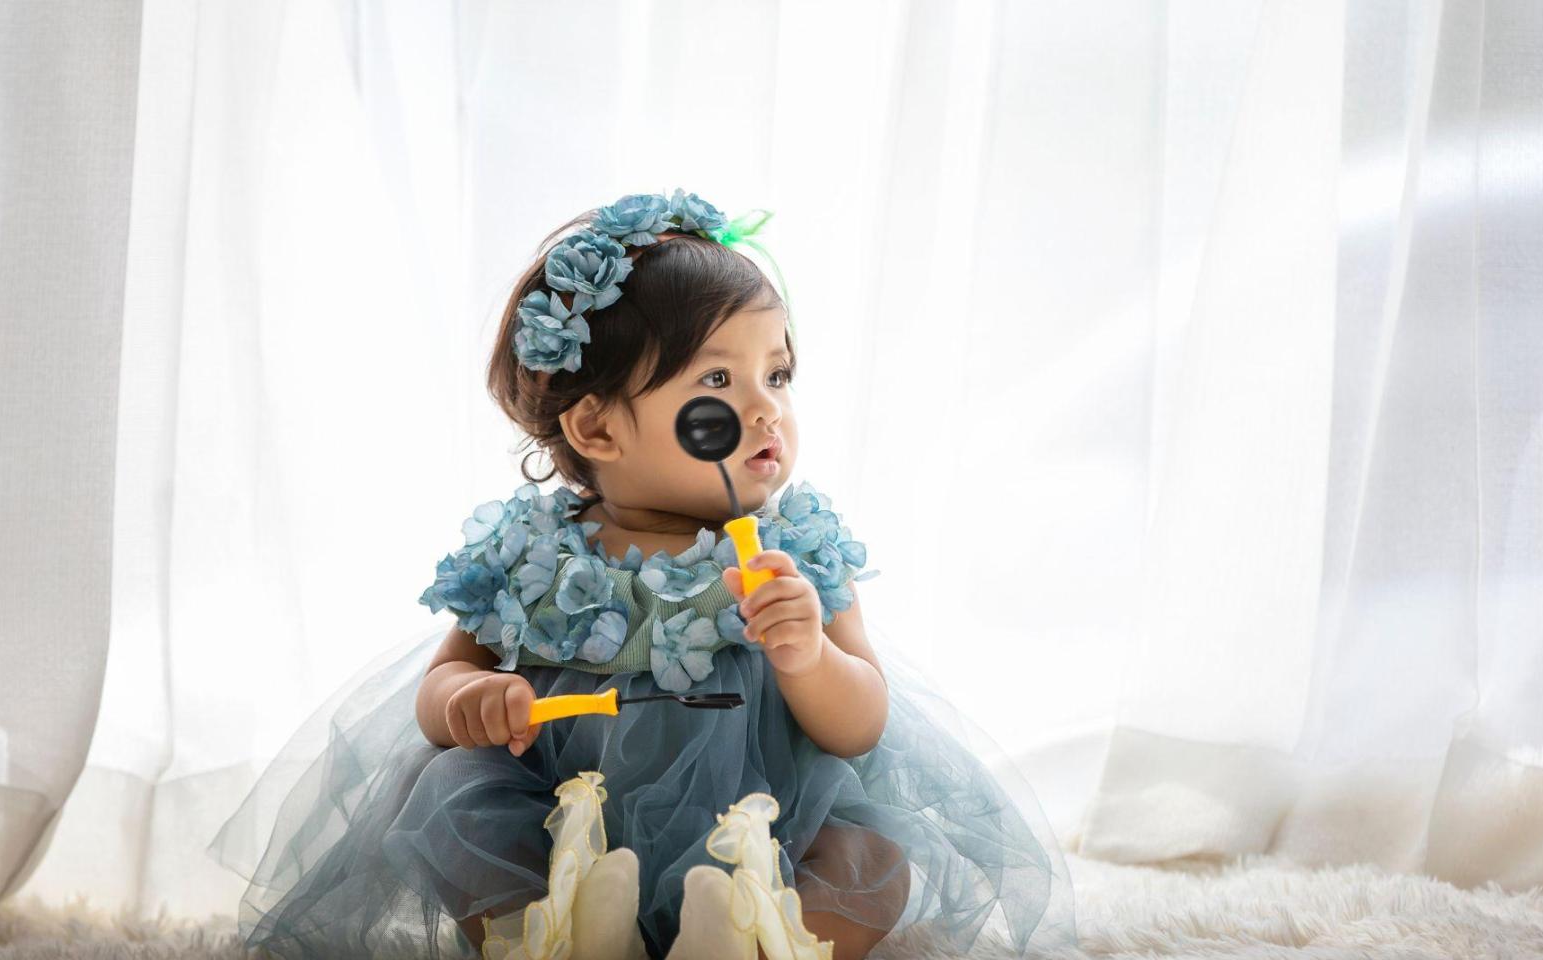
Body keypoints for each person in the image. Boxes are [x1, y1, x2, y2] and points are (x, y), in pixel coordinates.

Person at [208, 190, 1078, 959]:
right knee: (446, 800)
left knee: (871, 854)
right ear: (596, 430)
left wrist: (807, 655)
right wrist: (466, 704)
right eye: (719, 382)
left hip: (765, 828)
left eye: (778, 374)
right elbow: (445, 686)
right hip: (564, 827)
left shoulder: (794, 550)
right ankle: (554, 933)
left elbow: (860, 729)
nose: (766, 406)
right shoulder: (532, 553)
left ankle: (761, 940)